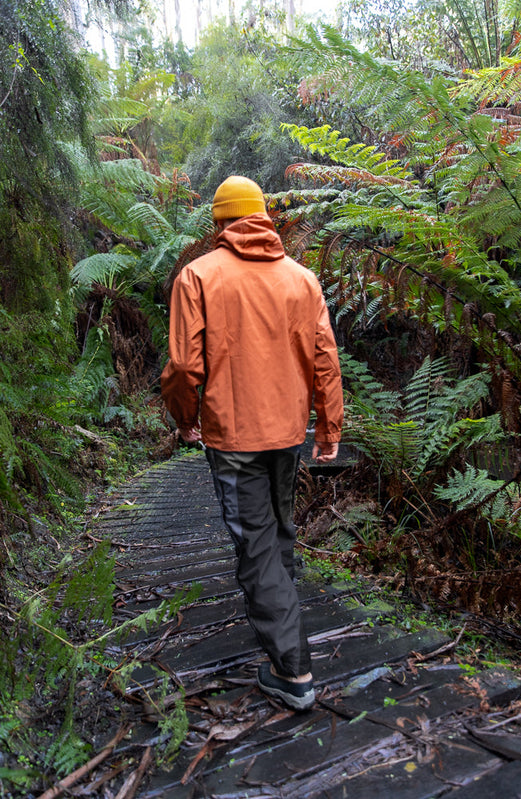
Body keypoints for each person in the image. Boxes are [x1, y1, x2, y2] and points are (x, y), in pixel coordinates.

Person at [161, 175, 343, 711]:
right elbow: (325, 360)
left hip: (233, 433)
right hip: (287, 432)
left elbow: (182, 368)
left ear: (219, 222)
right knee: (278, 532)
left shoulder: (197, 277)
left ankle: (292, 670)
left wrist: (184, 419)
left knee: (257, 544)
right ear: (263, 217)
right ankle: (280, 626)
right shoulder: (303, 280)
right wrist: (328, 428)